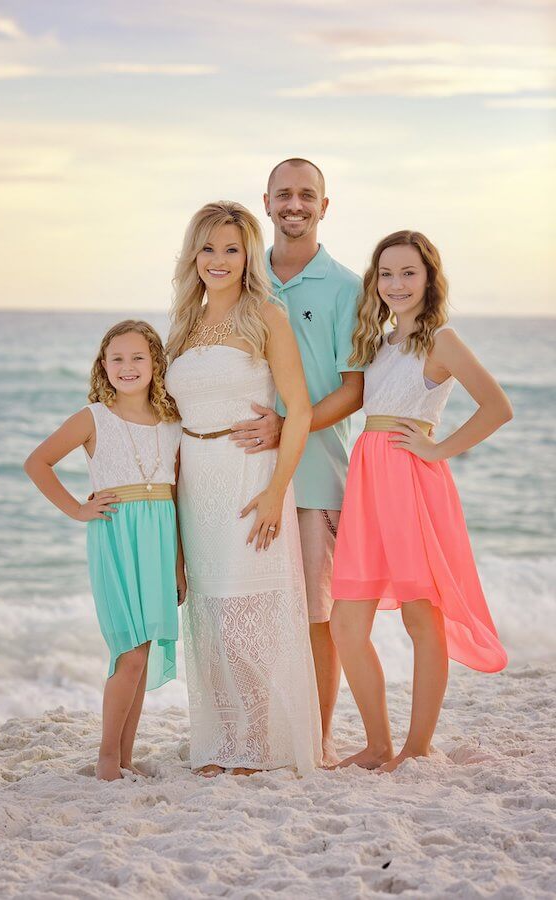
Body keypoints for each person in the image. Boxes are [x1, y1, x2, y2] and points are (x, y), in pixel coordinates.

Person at [330, 230, 511, 773]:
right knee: (346, 624)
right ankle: (378, 744)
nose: (396, 284)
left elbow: (497, 408)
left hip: (411, 479)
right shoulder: (378, 343)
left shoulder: (443, 341)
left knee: (420, 620)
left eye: (409, 272)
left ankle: (417, 746)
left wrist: (436, 449)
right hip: (367, 481)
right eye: (386, 273)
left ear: (429, 278)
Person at [165, 200, 322, 777]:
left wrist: (278, 491)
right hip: (195, 480)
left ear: (248, 254)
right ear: (194, 254)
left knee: (243, 619)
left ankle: (257, 744)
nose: (219, 259)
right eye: (208, 247)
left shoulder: (267, 316)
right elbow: (169, 420)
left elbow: (300, 410)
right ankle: (226, 740)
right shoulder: (183, 322)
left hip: (249, 477)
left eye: (231, 248)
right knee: (208, 620)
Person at [229, 158, 363, 766]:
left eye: (307, 194)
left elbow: (353, 388)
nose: (295, 204)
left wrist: (290, 425)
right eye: (284, 194)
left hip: (316, 475)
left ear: (325, 206)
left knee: (317, 613)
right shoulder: (240, 277)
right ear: (266, 202)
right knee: (253, 609)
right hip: (244, 473)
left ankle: (321, 734)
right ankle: (257, 732)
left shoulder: (347, 287)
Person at [24, 320, 184, 781]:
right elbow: (37, 462)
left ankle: (126, 756)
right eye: (117, 358)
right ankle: (106, 759)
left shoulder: (172, 422)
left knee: (144, 649)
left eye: (138, 358)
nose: (127, 367)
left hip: (159, 537)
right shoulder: (93, 417)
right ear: (103, 365)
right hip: (115, 536)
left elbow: (175, 494)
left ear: (155, 363)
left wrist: (178, 564)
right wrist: (76, 509)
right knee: (128, 652)